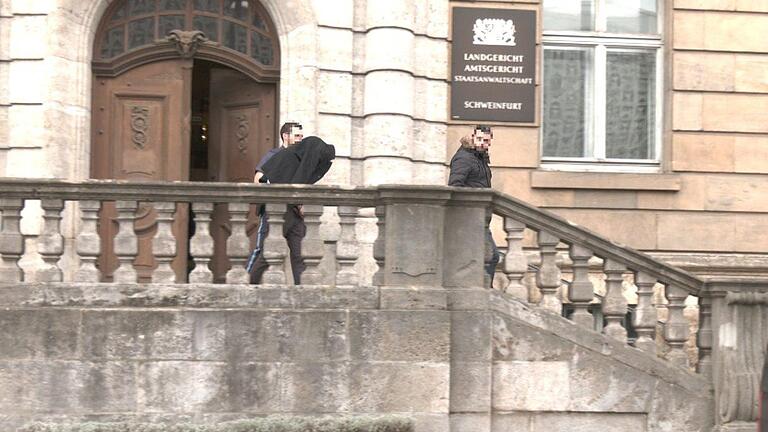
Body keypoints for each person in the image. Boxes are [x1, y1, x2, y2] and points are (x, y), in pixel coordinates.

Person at [249, 134, 336, 285]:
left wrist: (298, 203)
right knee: (268, 253)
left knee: (299, 254)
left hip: (292, 212)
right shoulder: (287, 157)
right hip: (279, 211)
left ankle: (302, 293)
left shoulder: (299, 158)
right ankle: (246, 286)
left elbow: (297, 182)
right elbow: (269, 181)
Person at [448, 125, 500, 286]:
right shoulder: (464, 158)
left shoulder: (479, 158)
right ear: (472, 137)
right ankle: (484, 291)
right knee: (491, 256)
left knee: (482, 257)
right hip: (470, 217)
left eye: (487, 141)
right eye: (480, 139)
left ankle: (481, 289)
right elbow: (455, 186)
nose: (483, 143)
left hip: (480, 217)